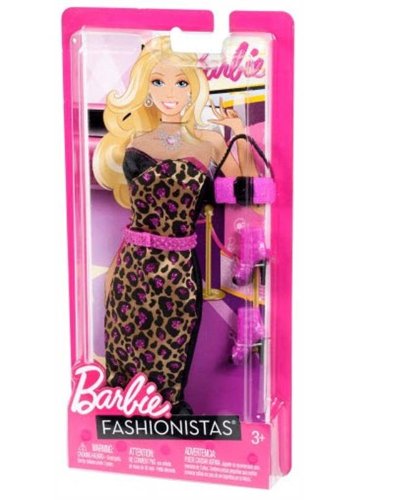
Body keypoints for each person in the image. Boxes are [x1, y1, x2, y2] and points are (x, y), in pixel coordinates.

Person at [93, 35, 258, 414]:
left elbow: (245, 191)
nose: (170, 92)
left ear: (194, 88)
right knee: (124, 342)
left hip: (179, 269)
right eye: (158, 81)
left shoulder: (210, 143)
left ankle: (166, 407)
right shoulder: (135, 139)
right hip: (133, 267)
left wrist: (240, 133)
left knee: (175, 341)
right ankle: (126, 407)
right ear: (146, 89)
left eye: (181, 82)